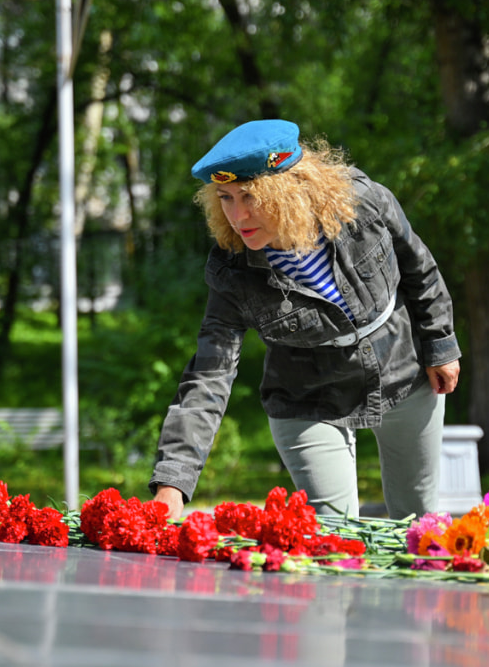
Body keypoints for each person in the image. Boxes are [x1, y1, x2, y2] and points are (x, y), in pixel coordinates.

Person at [149, 120, 462, 521]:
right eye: (225, 197)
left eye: (250, 196)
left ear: (292, 188)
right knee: (335, 538)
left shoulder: (363, 203)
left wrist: (441, 346)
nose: (237, 215)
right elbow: (209, 375)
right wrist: (172, 483)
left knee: (417, 523)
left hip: (403, 371)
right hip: (307, 398)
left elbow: (419, 268)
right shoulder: (232, 270)